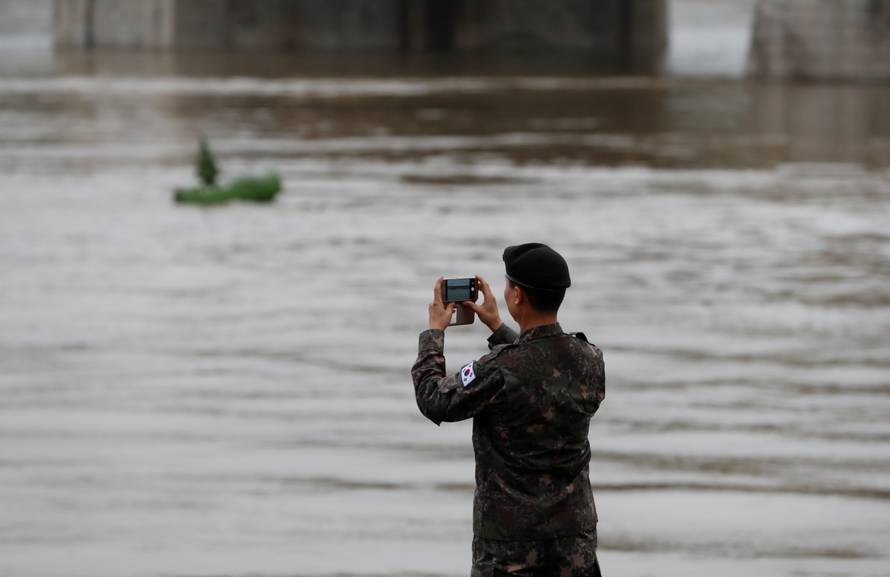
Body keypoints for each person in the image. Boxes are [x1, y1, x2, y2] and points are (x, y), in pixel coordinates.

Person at [411, 243, 606, 577]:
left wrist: (434, 332)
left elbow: (434, 399)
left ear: (517, 295)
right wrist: (498, 329)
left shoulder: (498, 370)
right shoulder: (589, 359)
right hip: (574, 547)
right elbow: (541, 367)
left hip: (511, 554)